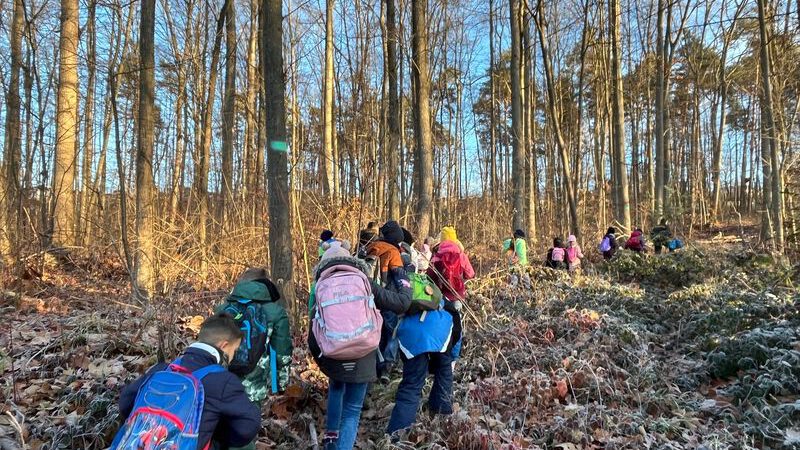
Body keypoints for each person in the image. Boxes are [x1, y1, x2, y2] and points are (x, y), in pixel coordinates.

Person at [310, 242, 411, 450]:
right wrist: (404, 279)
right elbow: (400, 303)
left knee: (336, 388)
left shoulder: (321, 284)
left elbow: (314, 327)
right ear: (349, 259)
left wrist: (321, 358)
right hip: (364, 351)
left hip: (333, 352)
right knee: (353, 409)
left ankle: (331, 441)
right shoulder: (362, 279)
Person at [115, 313, 261, 450]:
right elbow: (247, 428)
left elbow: (125, 402)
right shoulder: (223, 381)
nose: (232, 356)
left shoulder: (161, 369)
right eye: (233, 351)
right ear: (223, 346)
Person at [387, 235, 474, 436]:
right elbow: (456, 328)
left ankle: (396, 434)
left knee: (411, 385)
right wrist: (450, 355)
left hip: (411, 335)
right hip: (441, 330)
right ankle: (441, 416)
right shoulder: (444, 302)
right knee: (445, 373)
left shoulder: (406, 288)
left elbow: (394, 322)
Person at [215, 269, 292, 450]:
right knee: (244, 434)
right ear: (265, 285)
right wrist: (280, 384)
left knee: (219, 430)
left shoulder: (222, 308)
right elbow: (282, 352)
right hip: (253, 386)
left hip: (219, 382)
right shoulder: (275, 312)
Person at [366, 221, 408, 378]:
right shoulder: (393, 252)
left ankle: (373, 366)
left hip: (370, 300)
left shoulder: (371, 248)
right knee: (393, 333)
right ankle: (386, 367)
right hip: (389, 300)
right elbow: (400, 277)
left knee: (375, 333)